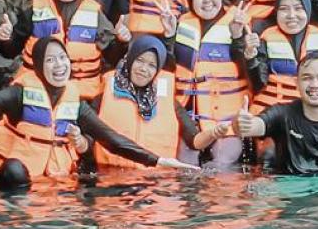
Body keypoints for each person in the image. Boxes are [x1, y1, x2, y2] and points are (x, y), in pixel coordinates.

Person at [0, 37, 197, 189]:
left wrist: (158, 160)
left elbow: (111, 140)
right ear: (38, 65)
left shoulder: (75, 103)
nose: (59, 65)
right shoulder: (20, 94)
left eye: (62, 58)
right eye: (50, 60)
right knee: (13, 171)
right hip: (19, 183)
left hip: (58, 181)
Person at [0, 0, 129, 102]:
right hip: (37, 92)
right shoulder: (35, 9)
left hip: (82, 97)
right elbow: (10, 52)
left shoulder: (95, 14)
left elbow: (114, 58)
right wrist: (5, 39)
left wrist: (121, 41)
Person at [93, 35, 232, 169]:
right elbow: (87, 133)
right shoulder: (105, 93)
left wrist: (214, 133)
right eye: (139, 60)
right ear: (130, 59)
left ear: (157, 70)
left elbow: (195, 141)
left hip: (157, 178)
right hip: (110, 174)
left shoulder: (169, 101)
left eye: (151, 65)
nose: (143, 69)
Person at [172, 0, 251, 165]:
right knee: (185, 164)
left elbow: (250, 70)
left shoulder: (239, 22)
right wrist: (168, 37)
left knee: (222, 163)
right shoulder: (181, 24)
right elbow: (168, 67)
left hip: (227, 117)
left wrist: (238, 37)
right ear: (190, 2)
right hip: (190, 116)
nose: (206, 0)